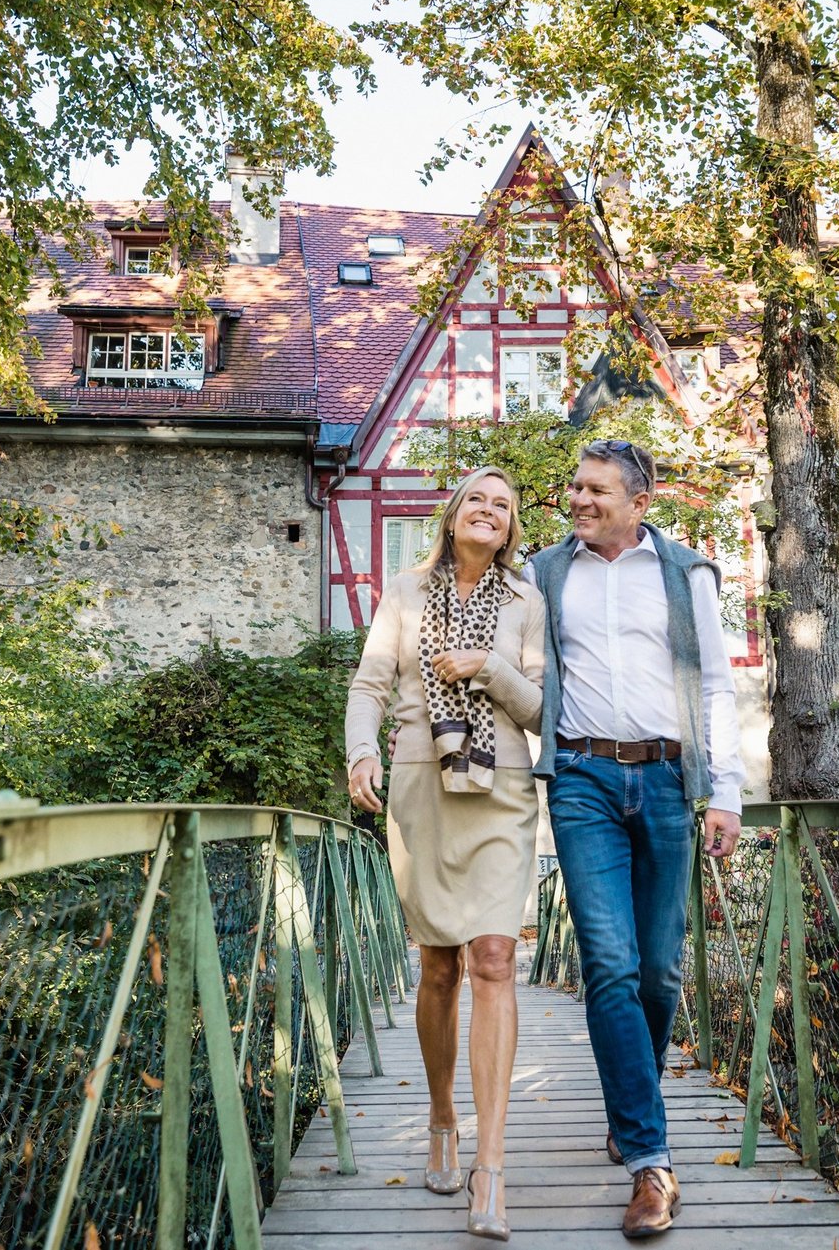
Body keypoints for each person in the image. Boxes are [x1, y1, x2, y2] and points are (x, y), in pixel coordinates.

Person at [528, 439, 743, 1240]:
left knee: (660, 969)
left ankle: (632, 1103)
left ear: (639, 500)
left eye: (595, 490)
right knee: (609, 964)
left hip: (665, 782)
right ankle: (650, 1160)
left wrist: (725, 792)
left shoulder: (686, 575)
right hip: (581, 779)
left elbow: (716, 685)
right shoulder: (546, 574)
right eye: (574, 488)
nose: (578, 500)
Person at [345, 465, 546, 1243]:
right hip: (420, 783)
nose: (490, 510)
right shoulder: (403, 592)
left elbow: (540, 707)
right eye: (479, 499)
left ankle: (490, 1163)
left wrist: (489, 669)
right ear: (453, 512)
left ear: (511, 526)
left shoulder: (529, 601)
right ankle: (440, 1114)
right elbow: (369, 684)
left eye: (505, 502)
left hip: (502, 788)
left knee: (494, 956)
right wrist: (362, 752)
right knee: (440, 965)